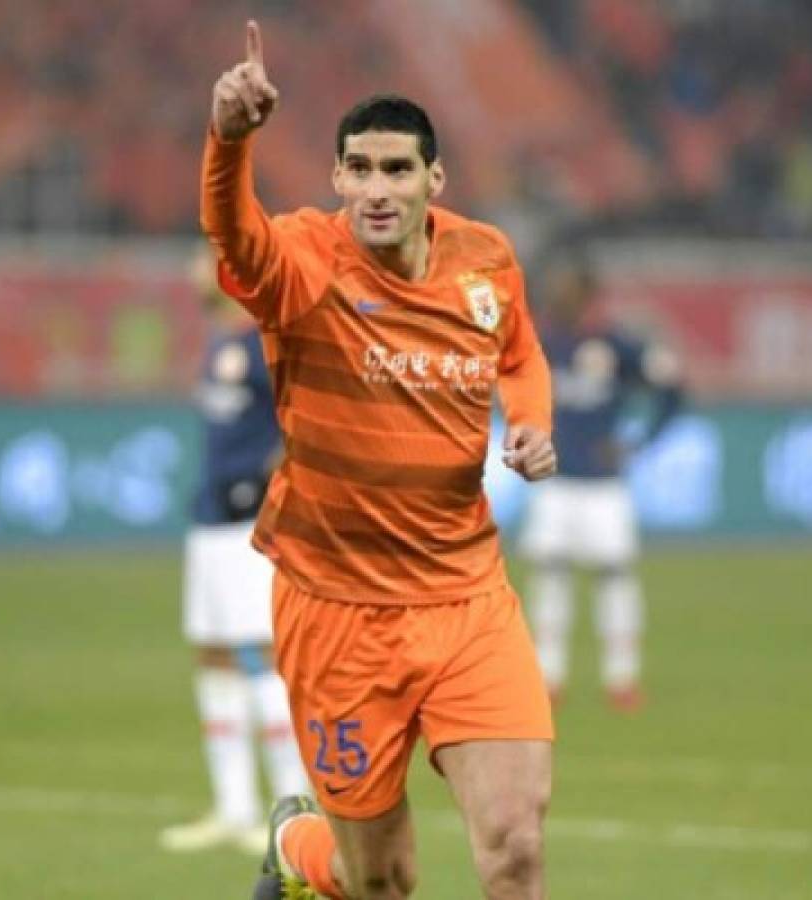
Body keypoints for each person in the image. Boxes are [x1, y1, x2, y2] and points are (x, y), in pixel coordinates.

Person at [203, 22, 558, 900]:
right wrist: (229, 139)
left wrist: (531, 420)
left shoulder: (486, 258)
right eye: (357, 168)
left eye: (396, 169)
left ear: (434, 179)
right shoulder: (304, 263)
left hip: (465, 597)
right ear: (335, 178)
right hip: (338, 609)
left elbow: (517, 351)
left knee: (513, 845)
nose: (375, 188)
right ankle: (298, 853)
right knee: (380, 883)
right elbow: (233, 235)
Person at [159, 242, 307, 854]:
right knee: (215, 656)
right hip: (208, 521)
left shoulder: (261, 342)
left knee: (264, 656)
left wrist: (273, 489)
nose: (192, 271)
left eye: (201, 261)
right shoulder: (219, 341)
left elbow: (301, 422)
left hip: (250, 525)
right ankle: (234, 807)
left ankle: (290, 810)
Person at [518, 252, 684, 712]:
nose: (559, 298)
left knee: (615, 578)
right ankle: (548, 677)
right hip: (554, 482)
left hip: (604, 486)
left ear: (587, 297)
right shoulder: (539, 342)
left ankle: (622, 677)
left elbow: (671, 389)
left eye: (567, 290)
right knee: (551, 577)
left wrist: (638, 441)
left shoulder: (617, 347)